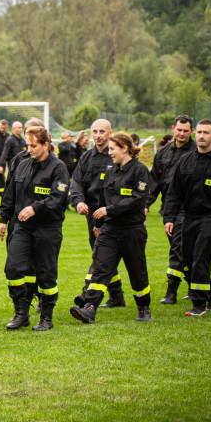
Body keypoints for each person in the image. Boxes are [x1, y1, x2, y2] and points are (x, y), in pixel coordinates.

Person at [69, 132, 153, 324]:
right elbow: (102, 199)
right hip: (110, 229)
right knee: (101, 266)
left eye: (113, 149)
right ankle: (89, 308)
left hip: (132, 229)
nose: (110, 153)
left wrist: (110, 210)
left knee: (136, 271)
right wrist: (98, 223)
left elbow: (137, 199)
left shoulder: (140, 170)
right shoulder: (110, 171)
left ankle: (143, 307)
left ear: (124, 148)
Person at [162, 119, 211, 317]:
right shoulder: (185, 160)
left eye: (206, 133)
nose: (202, 136)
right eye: (200, 132)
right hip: (189, 217)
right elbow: (174, 192)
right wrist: (169, 217)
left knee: (201, 259)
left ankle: (198, 303)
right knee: (187, 261)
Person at [0, 125, 69, 331]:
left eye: (34, 145)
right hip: (23, 227)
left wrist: (35, 208)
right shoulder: (23, 164)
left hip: (48, 228)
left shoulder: (58, 168)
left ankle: (46, 316)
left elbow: (57, 197)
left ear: (46, 145)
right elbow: (10, 194)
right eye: (28, 145)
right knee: (12, 268)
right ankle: (21, 313)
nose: (30, 149)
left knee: (46, 274)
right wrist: (4, 218)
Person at [69, 119, 125, 307]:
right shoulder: (86, 157)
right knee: (101, 253)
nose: (98, 135)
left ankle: (88, 293)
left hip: (112, 214)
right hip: (92, 214)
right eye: (95, 131)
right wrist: (78, 201)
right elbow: (75, 182)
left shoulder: (117, 156)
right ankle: (116, 296)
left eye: (102, 131)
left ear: (111, 133)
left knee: (100, 253)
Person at [150, 115, 195, 304]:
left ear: (191, 131)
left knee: (178, 248)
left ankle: (171, 291)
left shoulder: (196, 152)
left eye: (186, 130)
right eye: (179, 130)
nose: (182, 133)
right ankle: (199, 285)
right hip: (168, 209)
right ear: (173, 129)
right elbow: (154, 181)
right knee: (185, 251)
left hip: (189, 209)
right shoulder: (163, 152)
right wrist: (144, 205)